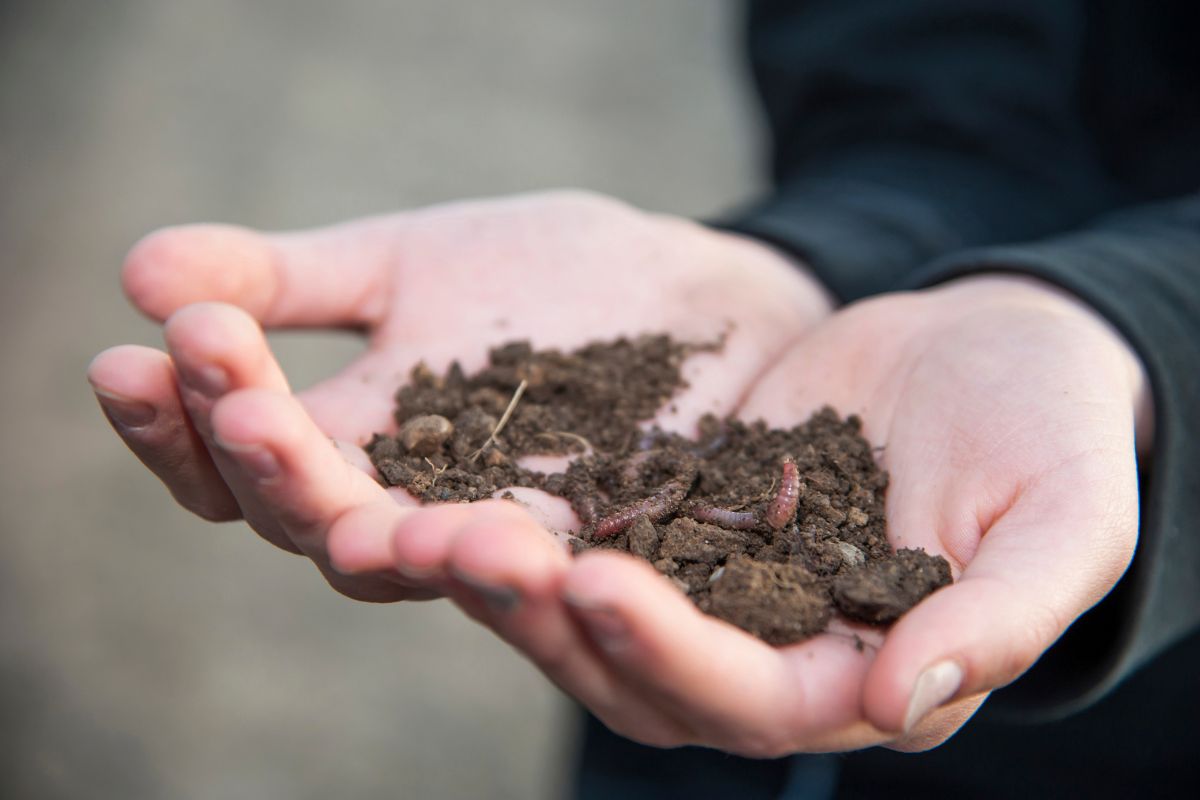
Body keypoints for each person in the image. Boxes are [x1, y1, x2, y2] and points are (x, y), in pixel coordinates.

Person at [87, 0, 1198, 796]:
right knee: (640, 634)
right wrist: (846, 246)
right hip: (673, 717)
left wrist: (1144, 328)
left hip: (1136, 723)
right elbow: (924, 106)